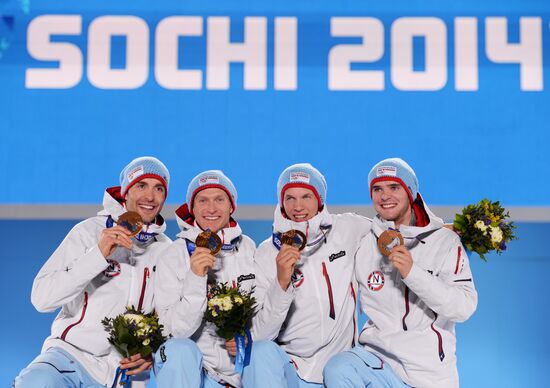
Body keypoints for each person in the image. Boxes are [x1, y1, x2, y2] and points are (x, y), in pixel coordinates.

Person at [14, 156, 172, 388]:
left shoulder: (167, 250)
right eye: (141, 186)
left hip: (125, 375)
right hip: (70, 359)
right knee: (37, 383)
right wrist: (98, 254)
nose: (150, 196)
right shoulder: (89, 232)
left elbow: (171, 317)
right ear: (125, 192)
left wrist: (154, 352)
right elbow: (41, 298)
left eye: (158, 188)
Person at [324, 157, 478, 388]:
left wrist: (412, 272)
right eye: (377, 189)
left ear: (411, 192)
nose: (384, 196)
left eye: (394, 187)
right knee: (339, 369)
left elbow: (463, 307)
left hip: (429, 375)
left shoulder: (444, 242)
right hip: (378, 362)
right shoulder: (364, 241)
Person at [243, 163, 371, 388]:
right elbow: (260, 333)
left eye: (306, 196)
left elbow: (394, 233)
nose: (298, 206)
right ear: (281, 203)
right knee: (258, 351)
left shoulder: (348, 228)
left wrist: (444, 231)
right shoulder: (266, 253)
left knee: (341, 369)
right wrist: (281, 284)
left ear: (320, 199)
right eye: (290, 198)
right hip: (290, 368)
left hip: (338, 369)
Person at [153, 170, 256, 388]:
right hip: (195, 372)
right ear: (192, 208)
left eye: (219, 199)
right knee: (179, 349)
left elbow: (260, 313)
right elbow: (173, 332)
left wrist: (246, 337)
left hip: (241, 373)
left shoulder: (248, 247)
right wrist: (196, 277)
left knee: (266, 351)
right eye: (203, 200)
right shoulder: (174, 254)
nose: (211, 208)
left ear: (231, 206)